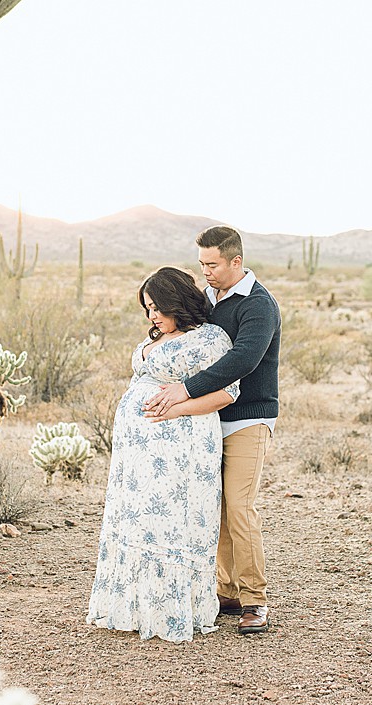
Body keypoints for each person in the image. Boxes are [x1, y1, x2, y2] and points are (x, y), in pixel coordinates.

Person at [86, 266, 239, 642]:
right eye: (147, 309)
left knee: (169, 521)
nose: (152, 316)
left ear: (177, 302)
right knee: (136, 519)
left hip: (181, 447)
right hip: (137, 453)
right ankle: (135, 607)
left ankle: (170, 610)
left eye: (157, 307)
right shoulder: (157, 335)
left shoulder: (209, 339)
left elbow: (228, 392)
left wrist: (175, 409)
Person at [145, 226, 281, 635]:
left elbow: (242, 360)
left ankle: (255, 600)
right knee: (214, 506)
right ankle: (228, 590)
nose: (205, 271)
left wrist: (184, 389)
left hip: (248, 417)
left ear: (236, 261)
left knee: (240, 507)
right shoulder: (207, 300)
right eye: (201, 263)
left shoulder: (259, 306)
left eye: (213, 264)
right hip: (205, 419)